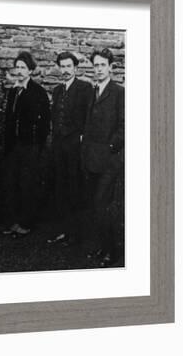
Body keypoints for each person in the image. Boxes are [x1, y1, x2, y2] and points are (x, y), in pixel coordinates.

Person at [82, 48, 124, 267]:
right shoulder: (93, 91)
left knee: (105, 205)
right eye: (95, 65)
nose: (98, 69)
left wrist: (110, 147)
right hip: (91, 159)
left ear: (110, 67)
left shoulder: (119, 92)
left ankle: (112, 252)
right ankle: (102, 247)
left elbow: (123, 126)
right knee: (95, 205)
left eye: (101, 65)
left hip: (109, 160)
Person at [1, 51, 50, 237]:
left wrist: (37, 146)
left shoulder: (37, 92)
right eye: (18, 67)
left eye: (23, 68)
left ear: (30, 70)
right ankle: (13, 221)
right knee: (11, 183)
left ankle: (25, 223)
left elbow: (45, 123)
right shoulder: (13, 91)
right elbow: (9, 120)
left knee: (27, 185)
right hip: (13, 147)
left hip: (30, 147)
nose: (19, 71)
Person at [46, 52, 93, 246]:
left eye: (68, 66)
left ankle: (77, 234)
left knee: (76, 188)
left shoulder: (84, 88)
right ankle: (63, 231)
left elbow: (89, 116)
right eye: (62, 66)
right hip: (59, 146)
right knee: (61, 188)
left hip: (75, 145)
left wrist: (82, 137)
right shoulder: (57, 90)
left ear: (75, 68)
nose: (65, 70)